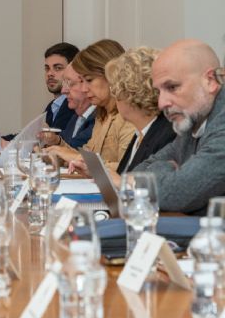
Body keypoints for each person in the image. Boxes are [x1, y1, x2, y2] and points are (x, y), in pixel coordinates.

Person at [134, 39, 225, 213]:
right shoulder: (193, 120)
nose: (162, 103)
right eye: (159, 91)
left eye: (172, 87)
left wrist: (164, 169)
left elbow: (174, 195)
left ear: (211, 81)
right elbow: (138, 171)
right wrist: (170, 175)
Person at [69, 47, 176, 185]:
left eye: (115, 88)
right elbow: (123, 176)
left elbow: (149, 188)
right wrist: (97, 172)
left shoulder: (166, 133)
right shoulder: (141, 132)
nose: (114, 95)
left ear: (129, 93)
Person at [45, 39, 135, 171]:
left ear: (111, 75)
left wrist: (76, 158)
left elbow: (129, 169)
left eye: (89, 80)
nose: (85, 89)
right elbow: (88, 155)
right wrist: (58, 149)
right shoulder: (103, 114)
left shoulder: (129, 115)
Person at [2, 42, 79, 142]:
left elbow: (50, 140)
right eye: (47, 68)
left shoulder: (73, 105)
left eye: (58, 68)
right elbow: (30, 135)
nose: (50, 74)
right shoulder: (53, 105)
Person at [38, 63, 96, 149]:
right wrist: (54, 140)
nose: (63, 91)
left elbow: (77, 153)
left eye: (70, 83)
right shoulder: (76, 116)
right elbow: (66, 147)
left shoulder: (97, 118)